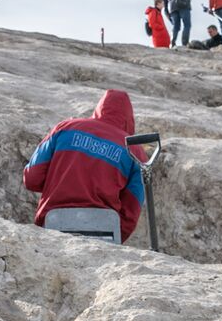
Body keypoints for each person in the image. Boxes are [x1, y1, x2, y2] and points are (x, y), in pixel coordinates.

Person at [23, 89, 148, 242]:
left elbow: (32, 179)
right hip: (104, 232)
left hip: (53, 222)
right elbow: (131, 212)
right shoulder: (135, 151)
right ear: (129, 119)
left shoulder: (65, 128)